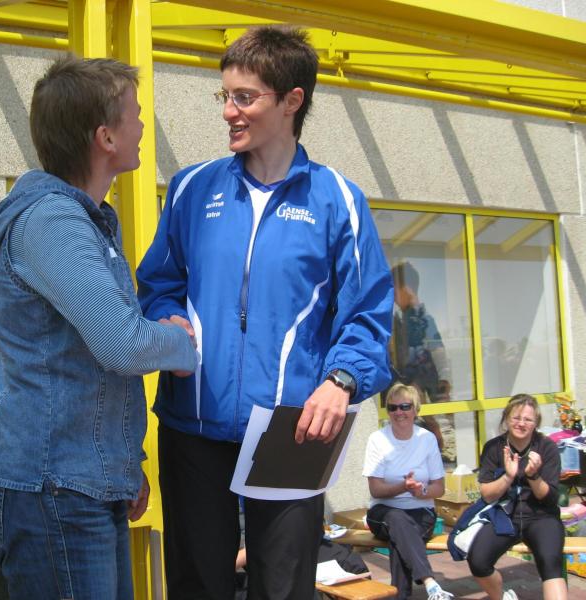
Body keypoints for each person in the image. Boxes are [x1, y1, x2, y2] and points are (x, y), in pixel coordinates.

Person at [136, 26, 393, 599]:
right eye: (224, 95)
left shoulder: (339, 201)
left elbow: (368, 314)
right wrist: (167, 318)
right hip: (192, 427)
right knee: (198, 588)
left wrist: (341, 380)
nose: (229, 111)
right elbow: (158, 282)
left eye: (244, 97)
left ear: (292, 101)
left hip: (291, 432)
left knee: (283, 589)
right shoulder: (191, 188)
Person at [0, 53, 197, 600]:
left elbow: (90, 362)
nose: (143, 126)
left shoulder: (84, 220)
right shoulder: (53, 221)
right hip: (53, 489)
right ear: (106, 137)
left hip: (80, 486)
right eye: (136, 114)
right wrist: (183, 343)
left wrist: (125, 464)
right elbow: (123, 344)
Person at [468, 394, 567, 600]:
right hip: (504, 516)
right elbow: (487, 495)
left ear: (536, 423)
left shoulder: (546, 447)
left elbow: (550, 498)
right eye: (516, 417)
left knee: (550, 562)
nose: (521, 423)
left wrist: (533, 476)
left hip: (542, 516)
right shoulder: (494, 447)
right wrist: (508, 477)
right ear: (506, 418)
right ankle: (502, 597)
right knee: (478, 561)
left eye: (528, 419)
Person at [363, 383, 452, 600]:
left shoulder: (427, 439)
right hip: (383, 512)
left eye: (405, 406)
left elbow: (439, 488)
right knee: (397, 519)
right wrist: (402, 487)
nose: (399, 412)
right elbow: (375, 490)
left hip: (421, 513)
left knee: (400, 538)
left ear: (415, 409)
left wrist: (420, 491)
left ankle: (406, 595)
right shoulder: (377, 439)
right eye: (393, 408)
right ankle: (429, 581)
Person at [388, 261, 453, 462]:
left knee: (435, 424)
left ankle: (440, 449)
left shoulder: (420, 318)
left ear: (405, 289)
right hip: (416, 385)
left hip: (425, 384)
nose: (393, 297)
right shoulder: (404, 318)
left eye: (394, 289)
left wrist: (444, 378)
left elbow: (437, 350)